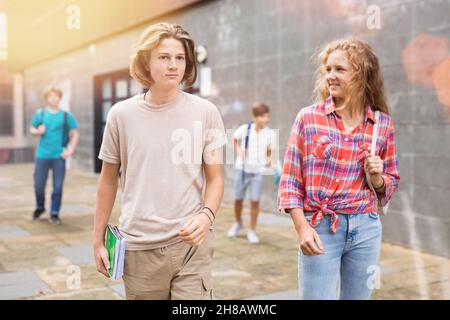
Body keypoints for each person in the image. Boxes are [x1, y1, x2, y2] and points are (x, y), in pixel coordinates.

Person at [93, 23, 227, 300]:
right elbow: (107, 181)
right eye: (164, 57)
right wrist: (98, 241)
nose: (173, 65)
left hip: (191, 246)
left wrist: (206, 215)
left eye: (179, 58)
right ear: (146, 62)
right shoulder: (121, 115)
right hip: (140, 249)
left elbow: (215, 178)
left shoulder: (206, 112)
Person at [278, 38, 400, 300]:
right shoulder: (309, 118)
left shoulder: (381, 124)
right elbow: (289, 180)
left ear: (362, 74)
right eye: (328, 69)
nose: (330, 76)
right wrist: (302, 227)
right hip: (320, 227)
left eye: (340, 69)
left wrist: (377, 178)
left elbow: (390, 183)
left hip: (366, 228)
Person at [30, 86, 79, 225]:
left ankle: (54, 213)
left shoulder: (66, 115)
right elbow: (32, 128)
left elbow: (75, 133)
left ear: (59, 97)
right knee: (39, 185)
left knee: (57, 187)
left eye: (56, 95)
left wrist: (70, 151)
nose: (53, 98)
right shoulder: (40, 114)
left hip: (59, 156)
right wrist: (37, 131)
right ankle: (40, 207)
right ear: (46, 98)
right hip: (42, 155)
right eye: (50, 96)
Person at [227, 102, 274, 244]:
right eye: (264, 117)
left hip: (257, 172)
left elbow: (270, 152)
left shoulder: (270, 133)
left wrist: (273, 165)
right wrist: (240, 150)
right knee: (238, 200)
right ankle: (238, 223)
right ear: (255, 117)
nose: (267, 119)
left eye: (268, 116)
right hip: (242, 170)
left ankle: (252, 230)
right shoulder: (245, 129)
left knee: (255, 201)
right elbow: (234, 139)